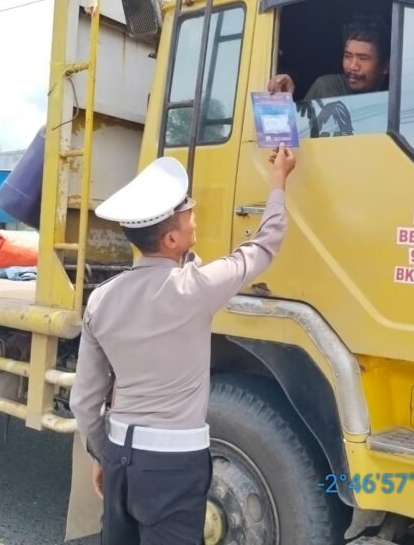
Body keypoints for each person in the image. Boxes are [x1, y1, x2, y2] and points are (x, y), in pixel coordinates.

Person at [70, 145, 297, 545]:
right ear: (173, 237)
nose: (196, 219)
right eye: (189, 214)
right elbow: (264, 245)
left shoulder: (101, 299)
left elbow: (84, 401)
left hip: (121, 456)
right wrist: (279, 181)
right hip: (173, 467)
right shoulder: (196, 287)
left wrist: (103, 455)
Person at [267, 16, 390, 101]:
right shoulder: (326, 89)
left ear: (385, 66)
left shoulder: (397, 98)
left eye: (363, 58)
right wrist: (280, 99)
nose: (353, 66)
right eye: (347, 56)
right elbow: (281, 138)